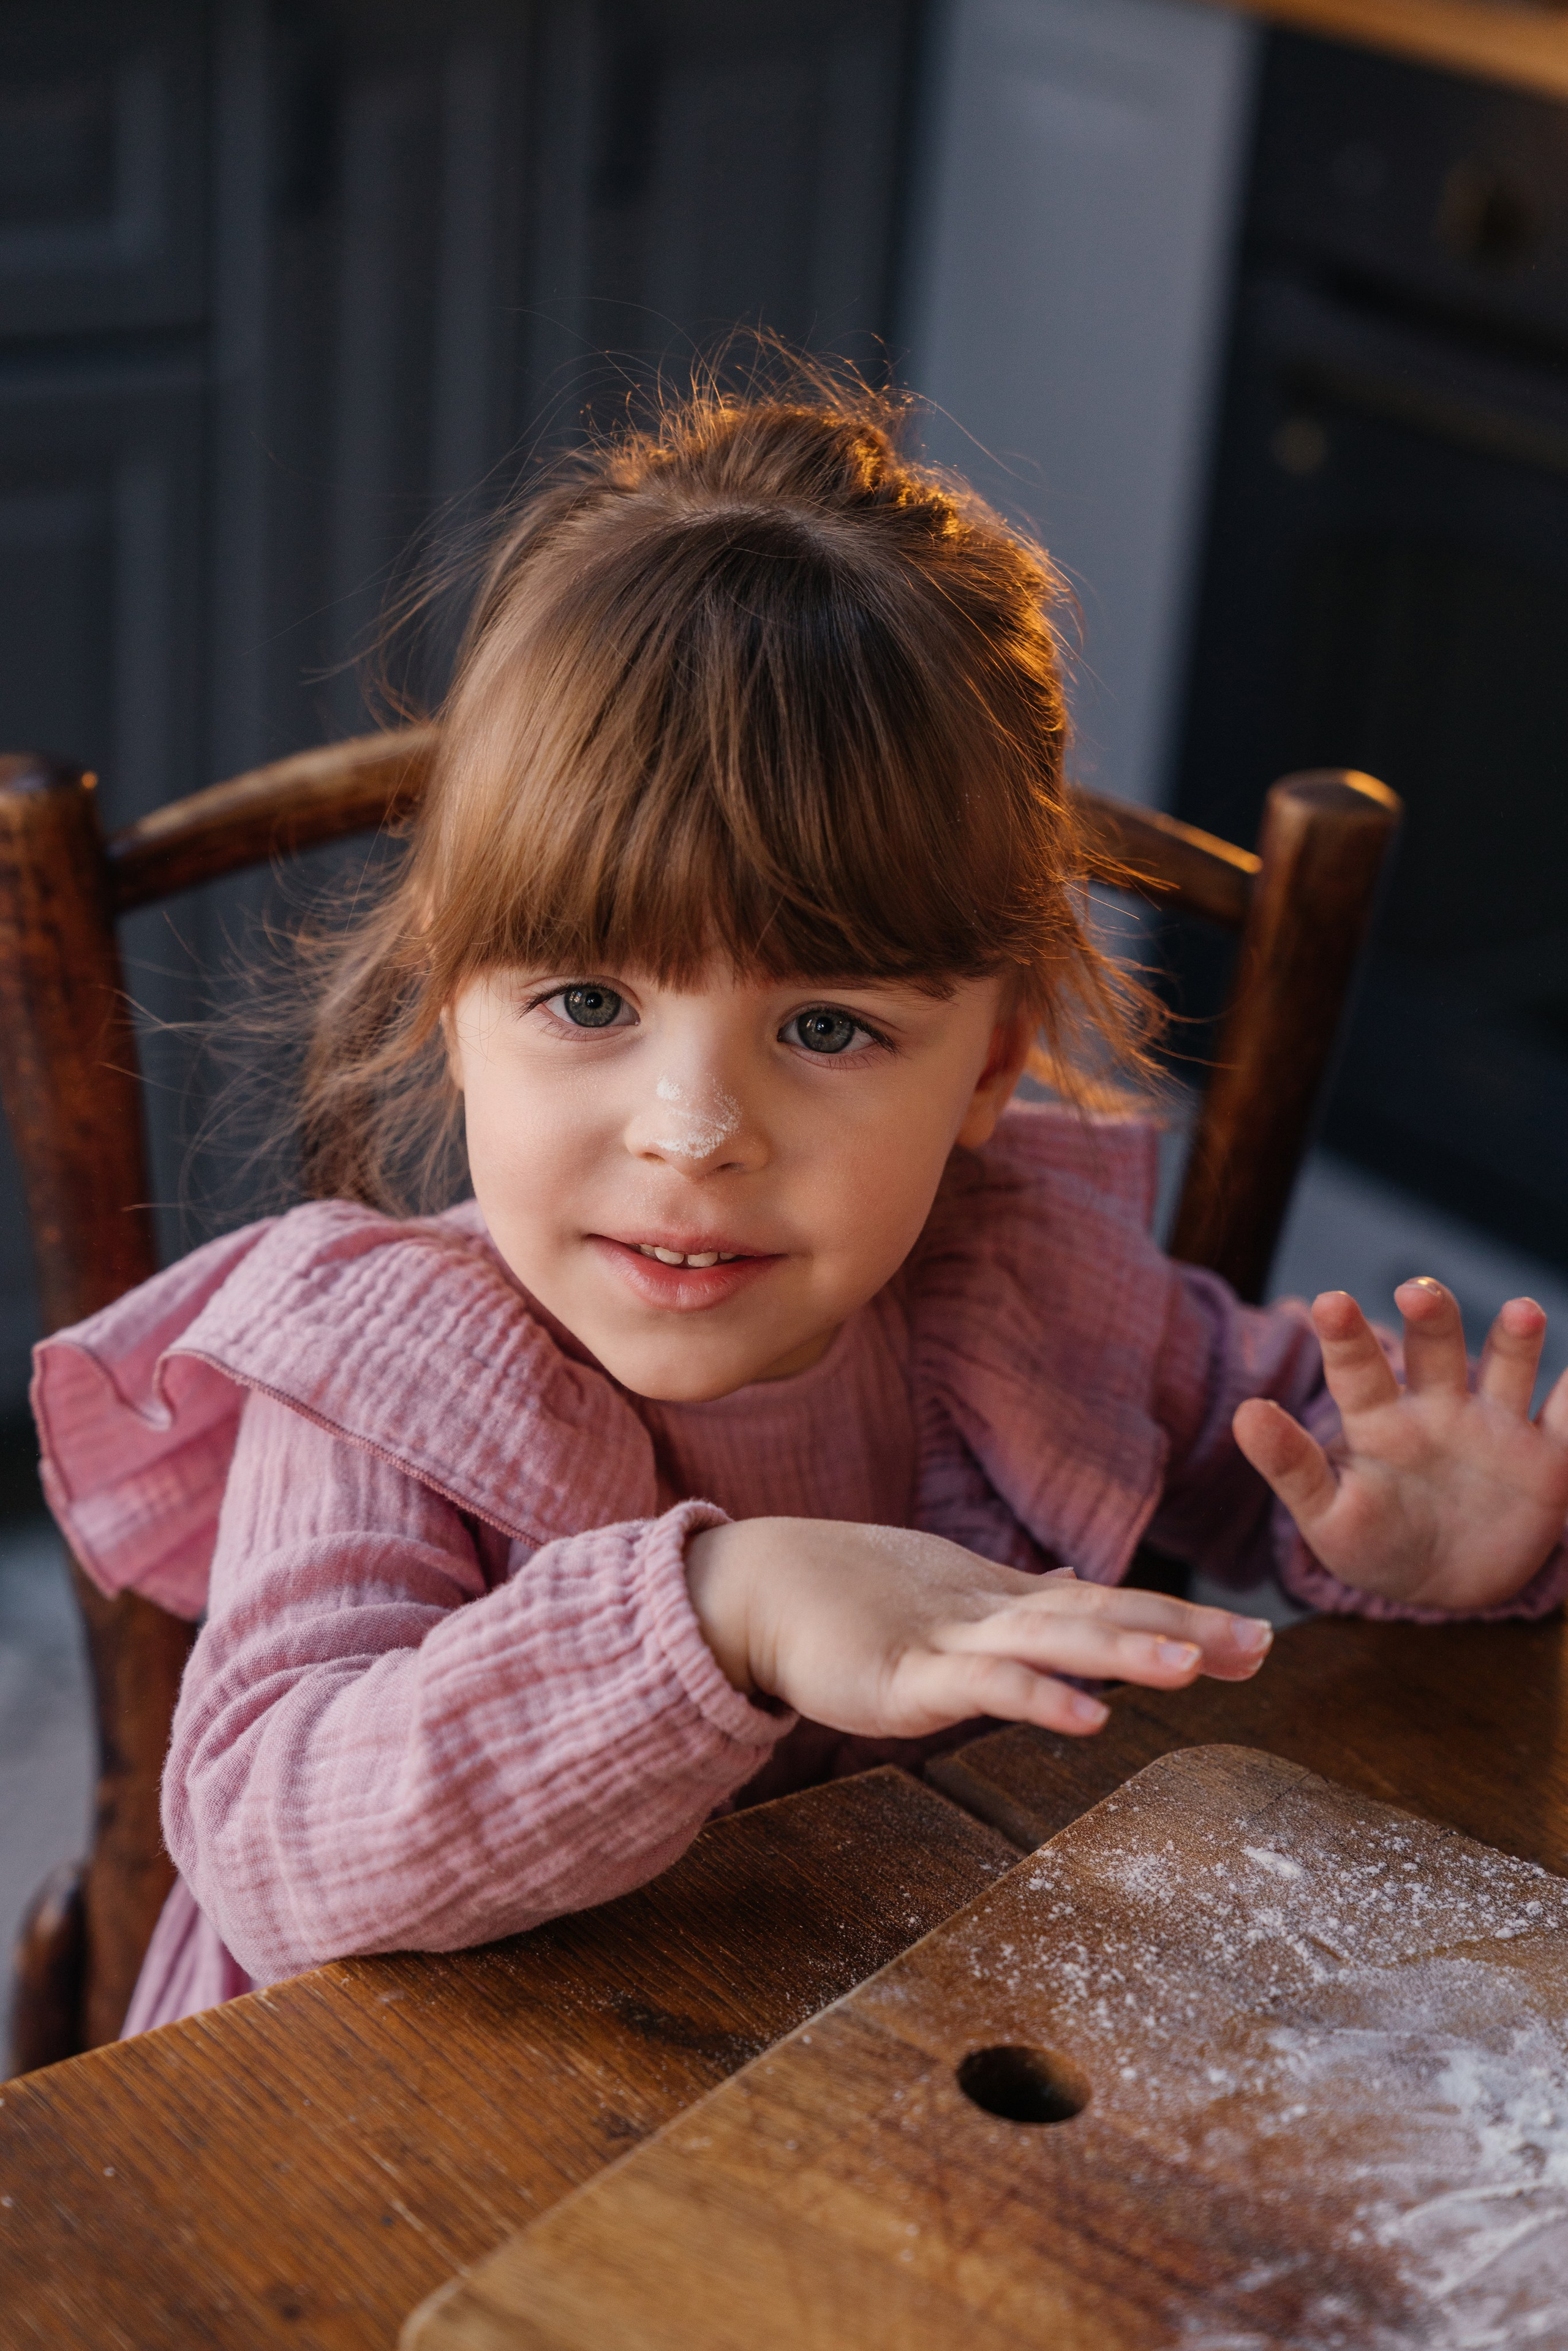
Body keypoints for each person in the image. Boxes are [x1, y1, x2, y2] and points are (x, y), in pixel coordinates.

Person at [32, 371, 1568, 2037]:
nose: (694, 1133)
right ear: (451, 1009)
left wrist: (1418, 1541)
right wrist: (725, 1612)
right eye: (591, 1005)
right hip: (409, 2159)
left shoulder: (1017, 1288)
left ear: (991, 1068)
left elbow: (1276, 1455)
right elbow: (282, 1849)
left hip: (873, 2093)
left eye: (826, 1028)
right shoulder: (381, 1389)